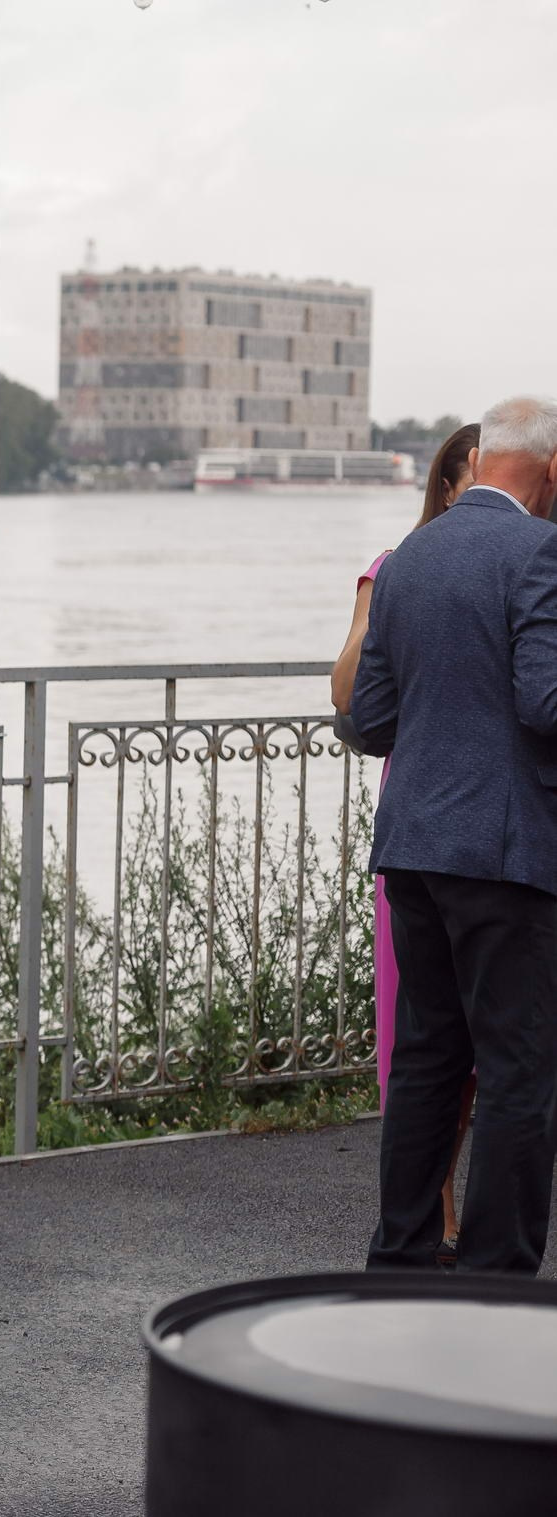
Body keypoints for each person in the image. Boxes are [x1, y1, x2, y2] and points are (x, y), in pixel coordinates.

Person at [349, 395, 557, 1277]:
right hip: (507, 854)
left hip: (412, 848)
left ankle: (399, 1259)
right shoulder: (542, 551)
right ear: (551, 470)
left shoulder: (410, 558)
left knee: (428, 1057)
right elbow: (545, 702)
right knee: (518, 1070)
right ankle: (494, 1279)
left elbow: (368, 719)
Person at [329, 423, 478, 1257]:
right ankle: (436, 1205)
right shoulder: (395, 567)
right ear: (448, 487)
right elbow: (348, 692)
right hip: (423, 822)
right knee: (417, 1023)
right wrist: (377, 603)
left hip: (485, 820)